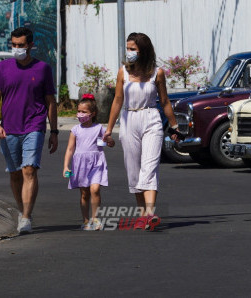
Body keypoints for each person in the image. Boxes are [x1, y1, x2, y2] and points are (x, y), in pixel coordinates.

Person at [103, 32, 180, 231]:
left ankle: (150, 213)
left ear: (143, 51)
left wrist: (174, 126)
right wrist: (109, 129)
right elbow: (118, 100)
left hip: (151, 119)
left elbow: (164, 101)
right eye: (128, 49)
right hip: (129, 120)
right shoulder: (123, 72)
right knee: (134, 168)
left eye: (133, 49)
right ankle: (141, 213)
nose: (129, 53)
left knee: (150, 166)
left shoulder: (157, 73)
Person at [0, 27, 58, 234]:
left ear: (30, 45)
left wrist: (53, 131)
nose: (17, 48)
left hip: (34, 126)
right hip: (9, 128)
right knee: (15, 174)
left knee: (29, 169)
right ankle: (21, 210)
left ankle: (26, 217)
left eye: (21, 45)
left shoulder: (43, 68)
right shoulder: (3, 68)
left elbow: (50, 102)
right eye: (14, 45)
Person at [63, 94, 115, 230]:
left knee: (95, 189)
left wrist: (109, 141)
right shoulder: (75, 130)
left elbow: (107, 143)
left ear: (92, 114)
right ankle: (86, 220)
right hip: (80, 164)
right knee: (84, 193)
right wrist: (65, 167)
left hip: (96, 162)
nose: (80, 114)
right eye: (79, 111)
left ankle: (95, 218)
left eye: (84, 112)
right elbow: (70, 149)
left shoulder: (99, 128)